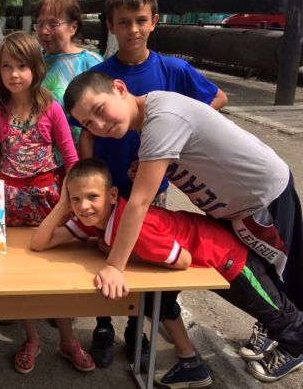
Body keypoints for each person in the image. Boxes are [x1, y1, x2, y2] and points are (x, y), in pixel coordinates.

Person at [64, 72, 303, 381]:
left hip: (261, 198)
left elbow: (138, 204)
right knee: (264, 273)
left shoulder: (161, 118)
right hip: (232, 206)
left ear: (119, 88)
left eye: (99, 109)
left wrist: (114, 266)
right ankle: (275, 328)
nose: (98, 125)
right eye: (88, 123)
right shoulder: (149, 121)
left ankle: (295, 343)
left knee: (283, 273)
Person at [37, 158, 303, 385]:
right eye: (76, 199)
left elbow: (182, 260)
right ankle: (191, 365)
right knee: (158, 303)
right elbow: (40, 243)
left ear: (113, 195)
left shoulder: (135, 228)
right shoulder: (96, 218)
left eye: (92, 197)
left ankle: (295, 348)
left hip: (225, 256)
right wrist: (62, 205)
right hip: (205, 254)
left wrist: (117, 253)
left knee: (274, 310)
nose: (83, 206)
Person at [78, 0, 228, 369]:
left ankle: (136, 328)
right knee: (107, 255)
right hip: (108, 189)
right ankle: (103, 326)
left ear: (154, 21)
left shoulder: (172, 70)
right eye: (123, 22)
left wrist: (177, 145)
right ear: (110, 26)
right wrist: (89, 177)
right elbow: (87, 133)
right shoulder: (99, 76)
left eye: (140, 20)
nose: (132, 29)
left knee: (143, 261)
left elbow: (216, 99)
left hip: (152, 189)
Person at [0, 31, 78, 226]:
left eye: (22, 66)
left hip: (48, 199)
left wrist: (71, 200)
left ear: (36, 68)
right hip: (6, 201)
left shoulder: (52, 109)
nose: (14, 74)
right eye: (6, 66)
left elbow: (71, 159)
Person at [34, 0, 103, 143]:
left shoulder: (90, 62)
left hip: (80, 150)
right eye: (40, 24)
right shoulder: (31, 61)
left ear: (73, 27)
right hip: (37, 151)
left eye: (53, 24)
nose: (44, 31)